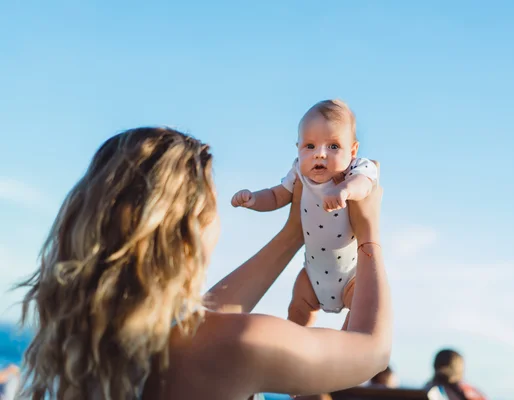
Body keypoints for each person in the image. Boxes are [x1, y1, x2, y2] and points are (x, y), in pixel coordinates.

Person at [16, 127, 391, 400]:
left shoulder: (91, 355)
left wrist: (296, 232)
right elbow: (372, 350)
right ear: (187, 231)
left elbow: (205, 319)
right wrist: (369, 230)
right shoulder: (232, 346)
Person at [231, 99, 378, 329]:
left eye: (333, 146)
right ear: (298, 147)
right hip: (312, 274)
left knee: (361, 315)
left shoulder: (355, 169)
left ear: (352, 150)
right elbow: (277, 195)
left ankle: (344, 349)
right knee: (298, 311)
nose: (320, 154)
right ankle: (297, 345)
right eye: (309, 146)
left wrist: (345, 190)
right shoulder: (299, 172)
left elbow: (366, 183)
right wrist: (254, 199)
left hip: (351, 275)